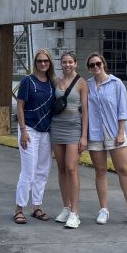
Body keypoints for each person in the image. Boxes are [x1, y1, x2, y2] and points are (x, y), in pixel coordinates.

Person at [85, 52, 127, 227]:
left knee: (123, 170)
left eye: (98, 63)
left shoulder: (116, 84)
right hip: (95, 134)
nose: (95, 67)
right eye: (91, 65)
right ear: (89, 68)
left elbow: (122, 111)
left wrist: (121, 132)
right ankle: (103, 209)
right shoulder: (87, 85)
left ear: (103, 64)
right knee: (100, 171)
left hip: (114, 133)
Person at [13, 48, 56, 224]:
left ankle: (36, 207)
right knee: (28, 172)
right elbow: (20, 106)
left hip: (46, 132)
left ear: (50, 63)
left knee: (43, 172)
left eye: (46, 61)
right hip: (29, 130)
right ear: (35, 63)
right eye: (40, 61)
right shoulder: (27, 81)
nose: (43, 64)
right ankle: (19, 209)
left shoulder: (52, 83)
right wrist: (23, 130)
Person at [51, 51, 88, 229]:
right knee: (61, 168)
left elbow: (86, 111)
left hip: (73, 127)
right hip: (57, 126)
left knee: (72, 168)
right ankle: (66, 207)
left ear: (75, 63)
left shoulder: (81, 83)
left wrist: (84, 136)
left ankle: (75, 212)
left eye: (70, 62)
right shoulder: (56, 81)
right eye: (64, 62)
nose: (67, 65)